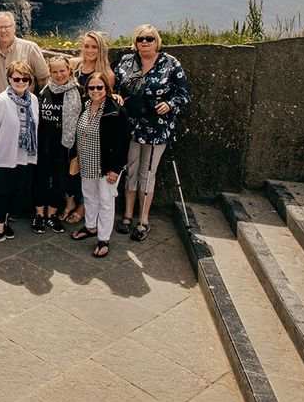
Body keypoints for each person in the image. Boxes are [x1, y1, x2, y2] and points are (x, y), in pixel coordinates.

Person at [114, 24, 191, 242]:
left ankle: (143, 220)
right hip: (130, 126)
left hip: (157, 127)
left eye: (149, 38)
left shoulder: (170, 63)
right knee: (130, 170)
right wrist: (117, 97)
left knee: (148, 173)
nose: (144, 42)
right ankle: (127, 216)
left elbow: (184, 94)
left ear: (156, 40)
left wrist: (169, 104)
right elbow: (116, 88)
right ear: (135, 42)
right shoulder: (126, 62)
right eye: (140, 39)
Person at [71, 71, 130, 258]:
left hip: (107, 165)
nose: (95, 91)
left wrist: (116, 168)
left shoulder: (116, 110)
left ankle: (104, 238)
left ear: (107, 88)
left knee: (106, 201)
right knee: (88, 196)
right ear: (86, 89)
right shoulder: (85, 105)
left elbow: (123, 142)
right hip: (87, 161)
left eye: (99, 87)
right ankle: (90, 226)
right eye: (91, 87)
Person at [0, 59, 40, 245]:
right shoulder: (2, 101)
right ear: (9, 79)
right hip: (4, 156)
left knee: (16, 191)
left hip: (23, 155)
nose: (21, 82)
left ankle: (5, 222)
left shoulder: (33, 100)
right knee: (1, 192)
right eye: (17, 79)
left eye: (25, 79)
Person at [33, 54, 82, 232]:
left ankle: (51, 215)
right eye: (55, 72)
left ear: (69, 70)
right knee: (41, 179)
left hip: (66, 145)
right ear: (50, 73)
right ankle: (39, 214)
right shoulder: (43, 90)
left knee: (60, 181)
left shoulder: (79, 92)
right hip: (44, 143)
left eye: (62, 71)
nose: (59, 75)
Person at [0, 11, 51, 96]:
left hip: (24, 105)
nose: (3, 30)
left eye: (7, 26)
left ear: (14, 28)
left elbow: (43, 79)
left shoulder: (30, 48)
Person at [73, 30, 117, 100]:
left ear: (101, 49)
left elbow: (106, 100)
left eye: (94, 47)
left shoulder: (107, 74)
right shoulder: (73, 64)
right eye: (86, 46)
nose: (90, 50)